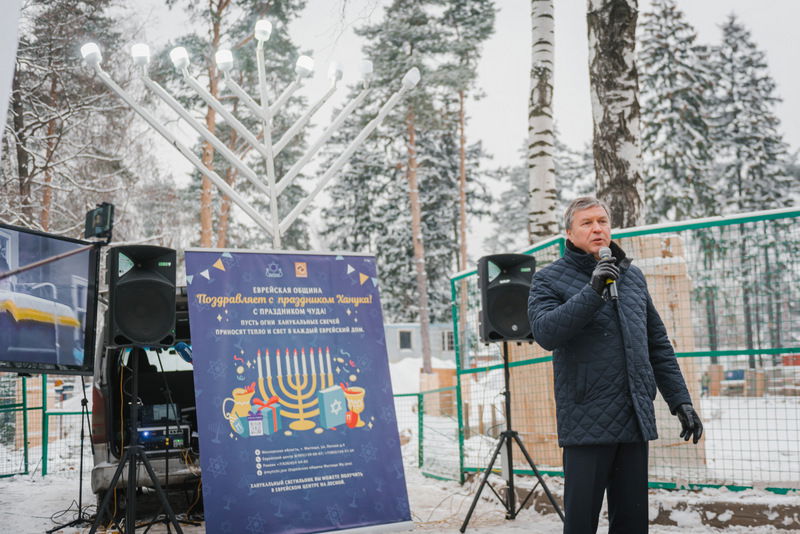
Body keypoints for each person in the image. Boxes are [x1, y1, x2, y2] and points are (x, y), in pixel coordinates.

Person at [527, 196, 703, 534]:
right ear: (569, 232)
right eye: (587, 223)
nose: (597, 228)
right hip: (587, 419)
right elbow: (546, 333)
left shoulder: (632, 277)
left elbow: (658, 345)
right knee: (581, 522)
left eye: (602, 221)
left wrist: (680, 401)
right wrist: (593, 290)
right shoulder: (548, 279)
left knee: (632, 522)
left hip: (633, 415)